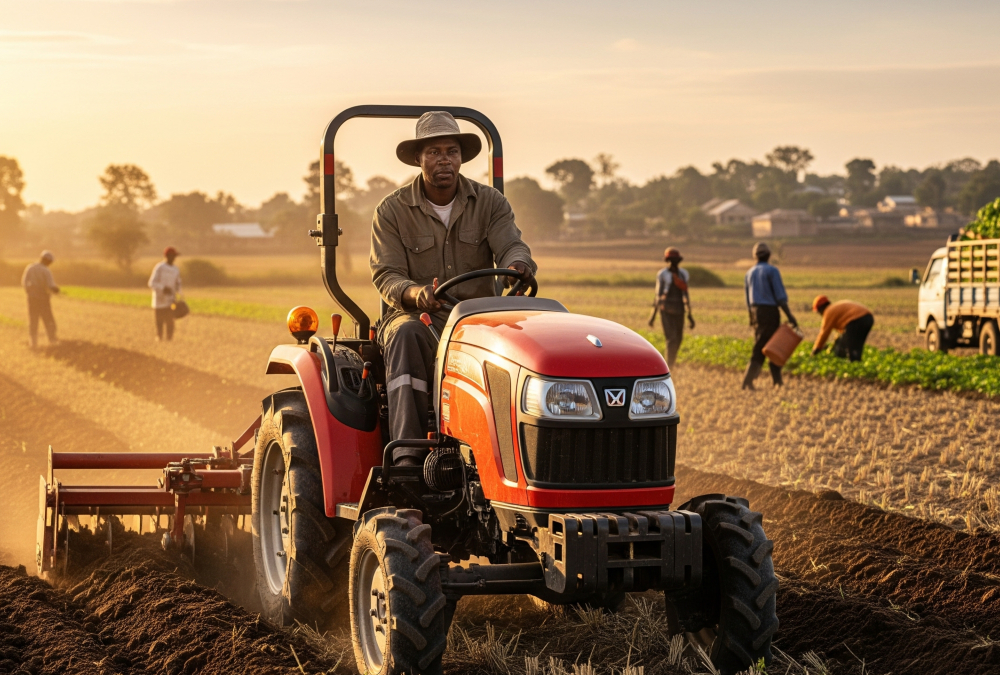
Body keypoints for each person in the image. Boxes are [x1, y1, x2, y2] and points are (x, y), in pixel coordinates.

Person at [371, 111, 536, 467]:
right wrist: (415, 294)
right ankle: (408, 457)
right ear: (419, 159)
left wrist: (518, 266)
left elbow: (512, 245)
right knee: (406, 335)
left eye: (451, 150)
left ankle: (515, 457)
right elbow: (387, 274)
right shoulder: (392, 210)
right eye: (433, 151)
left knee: (528, 343)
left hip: (476, 321)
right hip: (420, 318)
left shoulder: (490, 202)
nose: (444, 159)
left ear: (461, 158)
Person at [743, 242, 797, 390]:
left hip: (756, 312)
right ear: (769, 255)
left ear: (755, 256)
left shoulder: (749, 273)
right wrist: (790, 316)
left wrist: (751, 319)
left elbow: (748, 300)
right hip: (770, 312)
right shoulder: (772, 271)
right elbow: (780, 297)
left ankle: (776, 381)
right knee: (772, 346)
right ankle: (748, 381)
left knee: (764, 343)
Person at [647, 247, 695, 369]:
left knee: (679, 338)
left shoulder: (683, 274)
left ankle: (671, 362)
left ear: (678, 261)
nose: (672, 263)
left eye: (675, 260)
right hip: (666, 310)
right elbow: (658, 296)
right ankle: (669, 366)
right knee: (671, 338)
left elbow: (686, 294)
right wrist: (652, 316)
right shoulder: (662, 274)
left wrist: (690, 315)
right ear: (667, 261)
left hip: (680, 310)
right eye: (670, 260)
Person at [811, 295, 874, 361]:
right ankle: (856, 361)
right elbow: (842, 332)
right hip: (868, 318)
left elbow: (824, 332)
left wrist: (817, 348)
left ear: (821, 308)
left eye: (818, 311)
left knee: (852, 347)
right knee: (856, 346)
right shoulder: (834, 308)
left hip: (857, 320)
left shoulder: (828, 311)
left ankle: (853, 364)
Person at [21, 250, 59, 348]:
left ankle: (33, 343)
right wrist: (56, 290)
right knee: (48, 319)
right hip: (43, 299)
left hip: (32, 298)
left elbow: (24, 282)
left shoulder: (30, 267)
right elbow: (51, 285)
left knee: (33, 320)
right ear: (48, 261)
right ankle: (52, 340)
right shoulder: (46, 270)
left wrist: (30, 292)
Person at [149, 247, 182, 341]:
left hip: (170, 299)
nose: (174, 258)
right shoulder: (160, 267)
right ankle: (159, 338)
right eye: (172, 256)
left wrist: (178, 293)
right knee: (159, 322)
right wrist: (163, 288)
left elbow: (178, 283)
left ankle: (169, 340)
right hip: (159, 300)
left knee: (170, 322)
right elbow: (151, 283)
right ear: (167, 256)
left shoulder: (176, 269)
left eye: (175, 256)